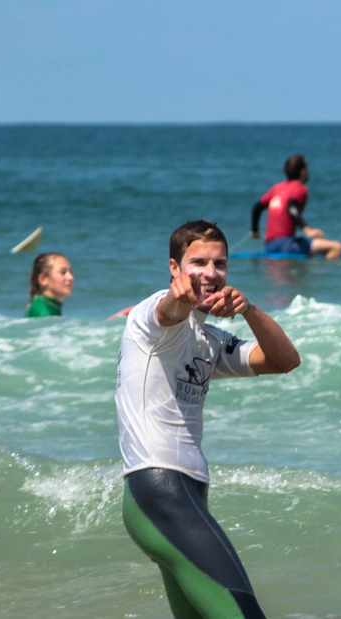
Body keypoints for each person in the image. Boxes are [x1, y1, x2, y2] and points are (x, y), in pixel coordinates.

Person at [116, 220, 301, 618]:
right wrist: (177, 298)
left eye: (219, 264)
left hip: (189, 494)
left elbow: (286, 361)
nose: (210, 273)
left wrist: (249, 309)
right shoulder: (150, 317)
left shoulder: (212, 340)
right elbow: (168, 311)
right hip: (158, 488)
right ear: (174, 267)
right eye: (197, 262)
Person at [250, 154, 341, 259]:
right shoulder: (299, 188)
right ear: (303, 172)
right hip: (286, 245)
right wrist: (308, 230)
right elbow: (291, 208)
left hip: (269, 247)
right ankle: (319, 273)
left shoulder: (276, 188)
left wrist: (254, 231)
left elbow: (256, 208)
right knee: (336, 247)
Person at [25, 252, 73, 317]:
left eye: (71, 272)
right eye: (63, 272)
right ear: (43, 279)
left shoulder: (49, 304)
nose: (70, 277)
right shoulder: (42, 310)